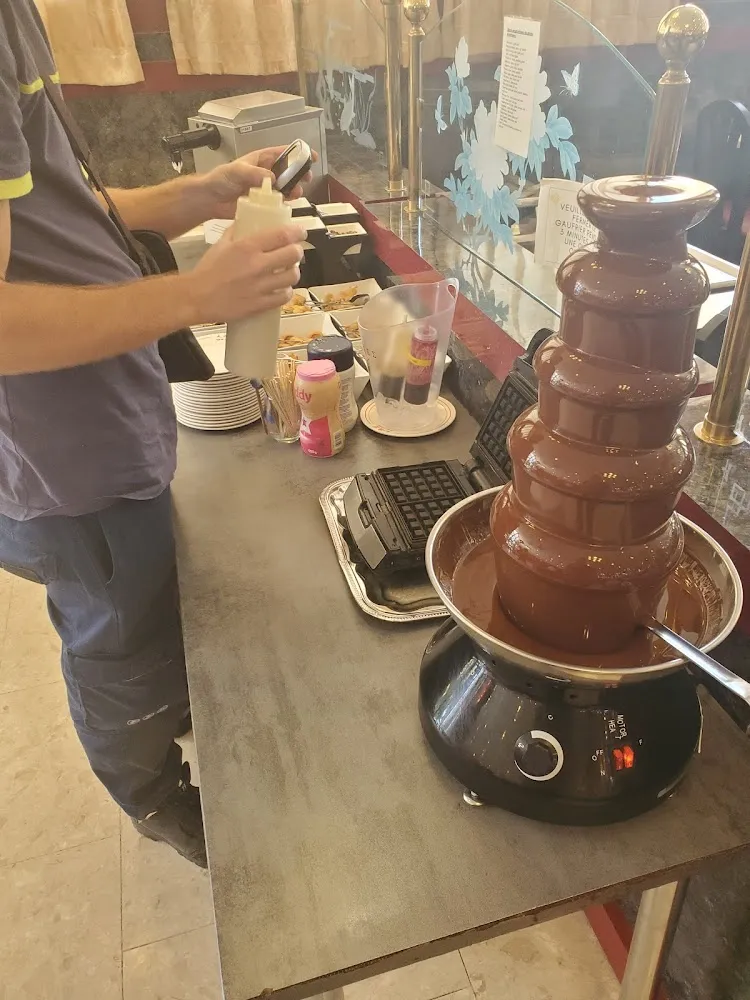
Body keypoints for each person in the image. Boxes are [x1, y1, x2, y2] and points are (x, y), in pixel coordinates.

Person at [0, 0, 309, 867]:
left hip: (99, 415)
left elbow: (54, 210)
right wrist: (196, 296)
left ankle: (162, 713)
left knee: (139, 606)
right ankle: (151, 793)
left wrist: (194, 197)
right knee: (118, 644)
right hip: (65, 453)